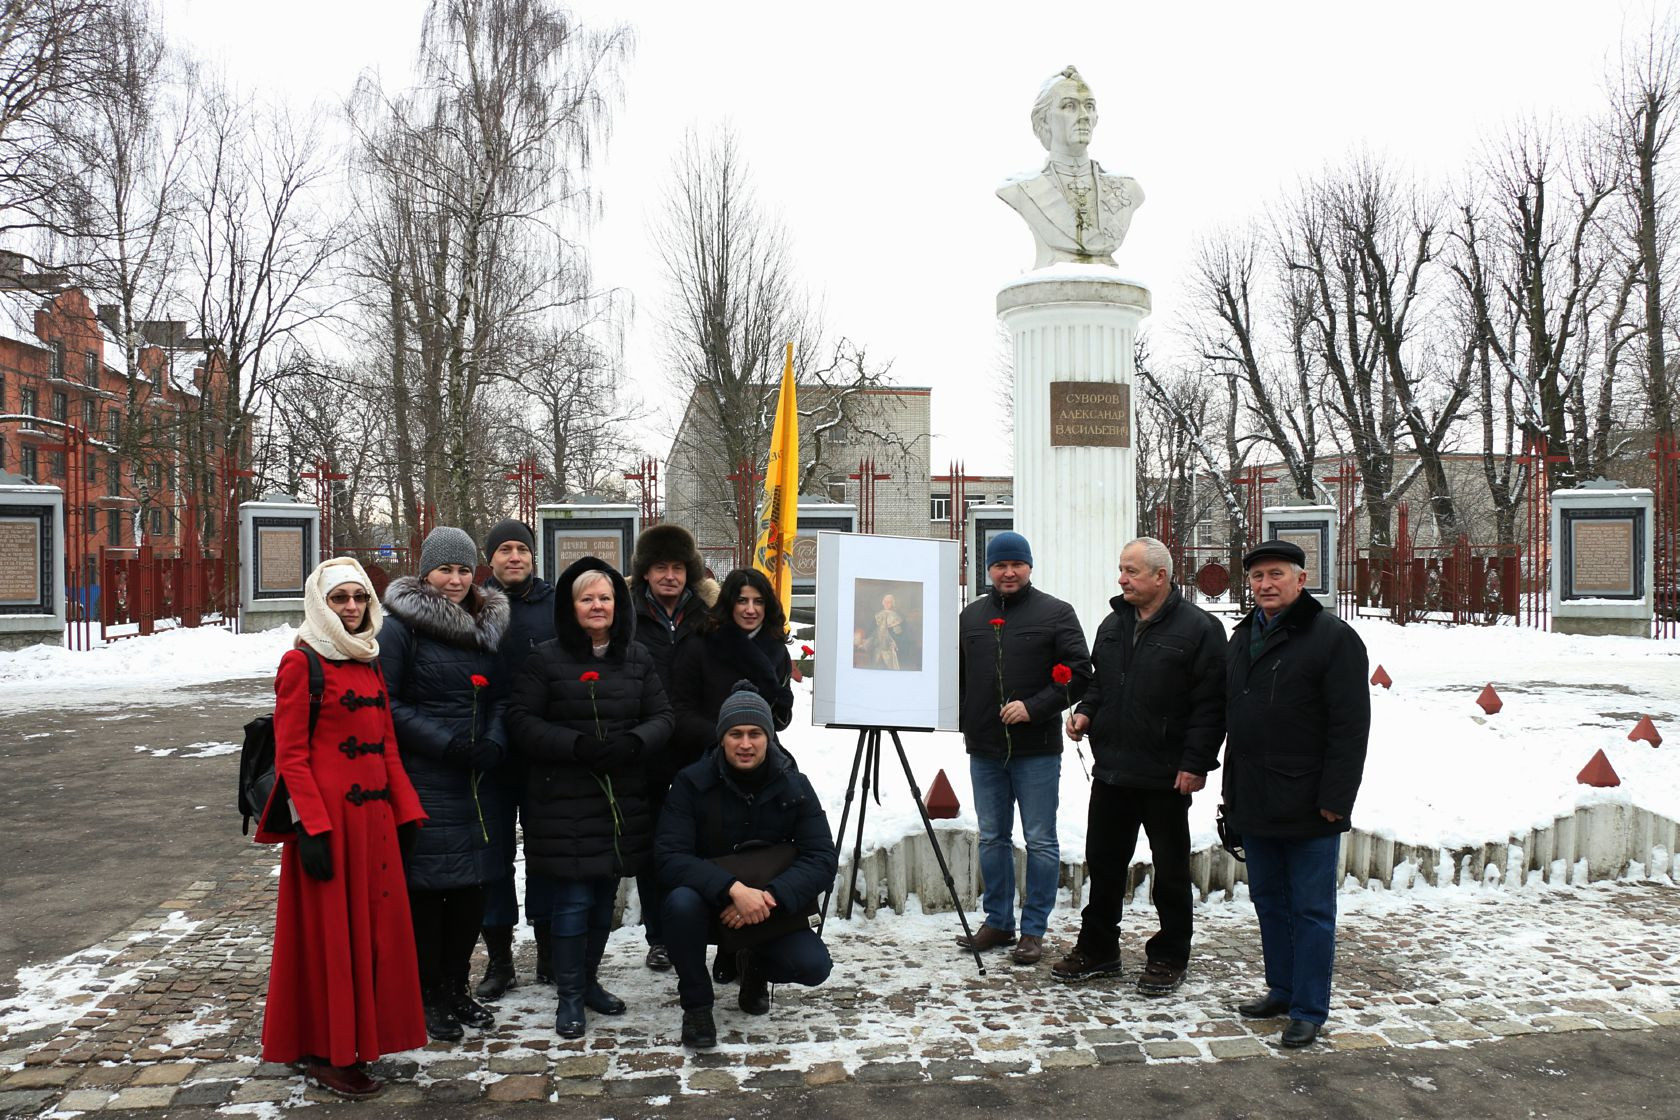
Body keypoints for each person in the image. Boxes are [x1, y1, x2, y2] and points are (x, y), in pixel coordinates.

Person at [257, 557, 428, 1100]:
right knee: (329, 939)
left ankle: (359, 1037)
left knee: (375, 935)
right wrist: (310, 827)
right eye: (340, 598)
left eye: (359, 597)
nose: (351, 607)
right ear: (321, 603)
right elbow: (291, 755)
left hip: (373, 823)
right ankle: (330, 1053)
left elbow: (387, 746)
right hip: (329, 825)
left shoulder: (368, 658)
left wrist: (407, 812)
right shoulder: (300, 663)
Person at [506, 556, 673, 1039]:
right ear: (571, 606)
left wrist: (634, 742)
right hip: (564, 800)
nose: (597, 606)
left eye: (605, 598)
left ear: (618, 605)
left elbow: (663, 716)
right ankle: (569, 994)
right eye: (587, 599)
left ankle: (590, 980)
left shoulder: (636, 658)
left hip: (618, 797)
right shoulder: (546, 658)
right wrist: (574, 745)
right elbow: (521, 721)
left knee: (602, 899)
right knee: (573, 900)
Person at [1054, 538, 1226, 995]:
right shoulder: (1113, 624)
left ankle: (1170, 955)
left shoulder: (1200, 628)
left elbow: (1211, 704)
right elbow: (1100, 684)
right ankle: (1098, 949)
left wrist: (1196, 762)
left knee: (1170, 870)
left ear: (1160, 576)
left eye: (1131, 571)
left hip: (1166, 773)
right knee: (1103, 863)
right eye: (1121, 569)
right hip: (1112, 768)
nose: (1122, 579)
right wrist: (1086, 712)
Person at [1223, 540, 1370, 1048]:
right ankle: (1282, 989)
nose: (1265, 584)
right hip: (1255, 797)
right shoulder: (1243, 636)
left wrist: (1337, 798)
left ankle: (1309, 1008)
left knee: (1310, 910)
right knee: (1268, 900)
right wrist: (1230, 793)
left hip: (1310, 801)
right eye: (1257, 576)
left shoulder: (1332, 638)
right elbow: (1233, 718)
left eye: (1276, 574)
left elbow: (1350, 727)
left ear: (1301, 579)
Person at [379, 527, 510, 1043]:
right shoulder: (400, 629)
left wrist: (494, 740)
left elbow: (501, 695)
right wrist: (446, 744)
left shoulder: (485, 624)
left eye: (463, 570)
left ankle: (457, 986)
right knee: (430, 891)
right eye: (444, 570)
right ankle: (429, 991)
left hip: (478, 778)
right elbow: (388, 703)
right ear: (425, 573)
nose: (455, 580)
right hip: (428, 775)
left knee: (473, 888)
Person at [656, 683, 838, 1049]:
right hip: (712, 903)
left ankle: (753, 964)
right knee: (680, 904)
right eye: (735, 734)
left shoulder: (795, 785)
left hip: (771, 905)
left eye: (755, 733)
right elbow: (669, 856)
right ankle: (697, 1006)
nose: (745, 744)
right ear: (721, 738)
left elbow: (821, 857)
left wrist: (769, 897)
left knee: (813, 966)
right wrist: (733, 890)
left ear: (768, 737)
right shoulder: (691, 783)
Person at [956, 531, 1090, 965]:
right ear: (988, 569)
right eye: (1000, 565)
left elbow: (1079, 673)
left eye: (1016, 564)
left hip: (1037, 750)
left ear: (1029, 566)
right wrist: (965, 718)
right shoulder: (971, 617)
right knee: (992, 837)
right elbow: (956, 676)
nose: (1008, 572)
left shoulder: (1056, 612)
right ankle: (998, 920)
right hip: (985, 748)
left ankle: (1033, 929)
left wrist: (1034, 708)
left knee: (1040, 840)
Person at [629, 524, 719, 972]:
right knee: (653, 847)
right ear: (645, 571)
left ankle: (708, 933)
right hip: (646, 748)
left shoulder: (709, 614)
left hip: (695, 745)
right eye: (660, 566)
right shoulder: (626, 613)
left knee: (702, 841)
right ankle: (659, 936)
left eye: (678, 567)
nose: (669, 576)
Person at [474, 518, 555, 999]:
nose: (514, 557)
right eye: (504, 549)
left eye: (521, 549)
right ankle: (500, 960)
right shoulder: (474, 606)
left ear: (532, 555)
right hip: (491, 752)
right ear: (491, 559)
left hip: (543, 751)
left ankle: (549, 952)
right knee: (494, 858)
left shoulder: (555, 604)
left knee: (545, 854)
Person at [996, 64, 1145, 268]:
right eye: (1069, 106)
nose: (1083, 116)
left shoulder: (1128, 189)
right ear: (1044, 120)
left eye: (1089, 106)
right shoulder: (1022, 189)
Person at [669, 567, 793, 760]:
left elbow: (779, 722)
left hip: (760, 756)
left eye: (758, 601)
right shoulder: (699, 645)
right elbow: (681, 710)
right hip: (707, 754)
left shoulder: (777, 650)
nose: (750, 610)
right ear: (729, 603)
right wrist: (724, 739)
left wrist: (782, 705)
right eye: (742, 601)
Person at [868, 593, 903, 669]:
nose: (887, 604)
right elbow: (871, 631)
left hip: (890, 650)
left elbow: (899, 635)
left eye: (889, 602)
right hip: (877, 649)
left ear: (892, 604)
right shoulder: (877, 615)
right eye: (885, 601)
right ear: (883, 602)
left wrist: (895, 640)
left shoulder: (896, 617)